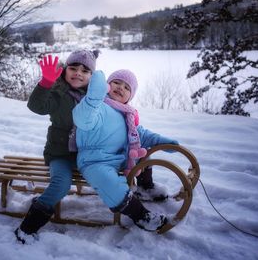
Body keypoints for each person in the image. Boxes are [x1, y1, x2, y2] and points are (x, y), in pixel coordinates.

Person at [72, 69, 179, 232]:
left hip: (118, 159)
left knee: (142, 152)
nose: (120, 87)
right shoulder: (98, 106)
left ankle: (145, 187)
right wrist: (92, 99)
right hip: (94, 161)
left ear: (130, 96)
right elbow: (83, 119)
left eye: (127, 87)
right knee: (108, 181)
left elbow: (141, 134)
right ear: (107, 86)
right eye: (116, 82)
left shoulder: (126, 114)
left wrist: (164, 142)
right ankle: (141, 216)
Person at [15, 50, 100, 244]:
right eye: (73, 68)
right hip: (60, 153)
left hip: (86, 155)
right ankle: (27, 228)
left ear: (91, 77)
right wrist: (46, 83)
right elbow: (37, 106)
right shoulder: (58, 92)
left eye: (85, 70)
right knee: (61, 184)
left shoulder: (95, 98)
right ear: (65, 70)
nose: (78, 73)